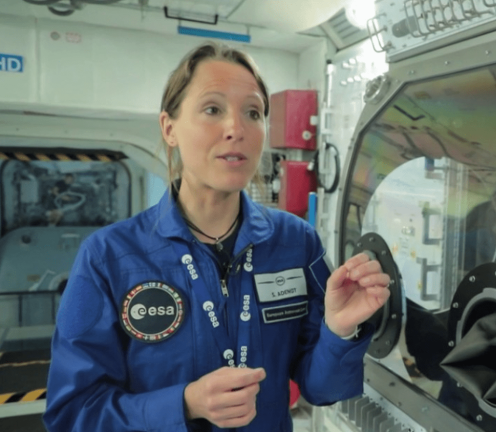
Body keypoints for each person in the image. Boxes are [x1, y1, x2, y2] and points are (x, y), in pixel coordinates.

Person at [43, 42, 391, 432]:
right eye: (213, 109)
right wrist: (183, 404)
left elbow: (320, 387)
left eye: (253, 113)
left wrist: (339, 331)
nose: (236, 129)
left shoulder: (296, 243)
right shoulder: (109, 256)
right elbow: (72, 413)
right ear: (169, 128)